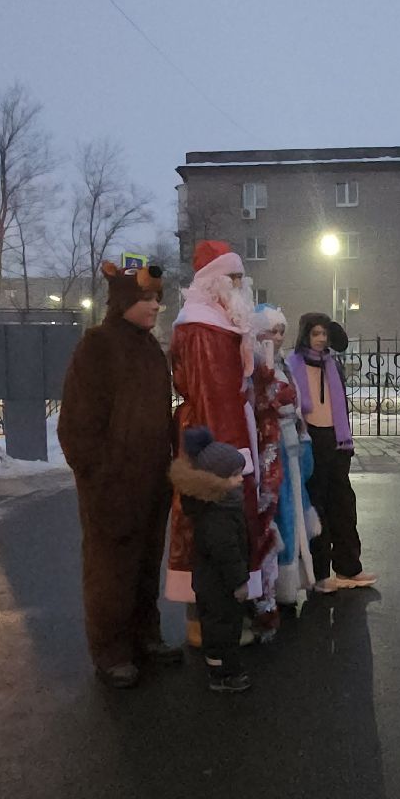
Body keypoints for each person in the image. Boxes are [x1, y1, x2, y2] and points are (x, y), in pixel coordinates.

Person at [56, 258, 179, 689]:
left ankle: (145, 636)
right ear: (124, 300)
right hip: (112, 487)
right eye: (146, 299)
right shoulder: (98, 345)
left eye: (158, 299)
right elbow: (76, 426)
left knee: (146, 566)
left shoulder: (149, 350)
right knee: (111, 569)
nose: (155, 307)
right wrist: (99, 477)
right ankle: (110, 651)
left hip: (151, 482)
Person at [167, 241, 267, 645]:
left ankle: (222, 618)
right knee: (209, 526)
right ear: (214, 281)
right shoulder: (200, 326)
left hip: (226, 433)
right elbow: (213, 394)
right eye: (234, 277)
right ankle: (206, 625)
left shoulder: (217, 320)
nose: (241, 285)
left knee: (222, 527)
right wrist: (227, 456)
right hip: (215, 439)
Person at [289, 313, 375, 594]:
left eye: (324, 334)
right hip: (310, 439)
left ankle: (349, 567)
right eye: (315, 333)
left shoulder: (332, 365)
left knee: (343, 505)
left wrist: (344, 439)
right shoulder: (294, 365)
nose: (321, 339)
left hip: (336, 442)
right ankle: (320, 573)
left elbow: (341, 407)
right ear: (305, 335)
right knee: (317, 506)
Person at [170, 427, 254, 693]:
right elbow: (226, 552)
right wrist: (240, 581)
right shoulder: (218, 514)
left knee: (221, 626)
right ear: (215, 480)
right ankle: (222, 673)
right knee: (222, 628)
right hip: (220, 585)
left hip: (214, 582)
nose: (241, 480)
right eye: (235, 476)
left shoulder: (219, 503)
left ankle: (222, 666)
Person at [256, 306, 320, 614]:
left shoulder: (282, 364)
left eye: (282, 331)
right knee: (279, 511)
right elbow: (258, 403)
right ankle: (276, 586)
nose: (279, 337)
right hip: (271, 448)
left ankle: (293, 581)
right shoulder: (256, 364)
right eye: (273, 331)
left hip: (290, 444)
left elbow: (293, 404)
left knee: (294, 508)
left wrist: (298, 424)